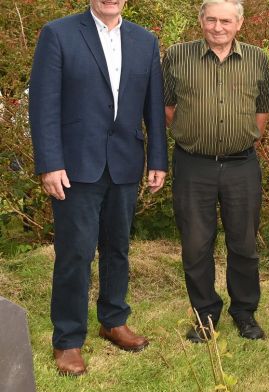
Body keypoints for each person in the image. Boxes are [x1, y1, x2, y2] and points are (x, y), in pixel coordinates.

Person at [28, 0, 168, 376]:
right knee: (75, 253)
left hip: (124, 162)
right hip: (75, 167)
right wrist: (50, 163)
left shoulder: (145, 40)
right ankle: (69, 340)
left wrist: (157, 160)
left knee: (118, 248)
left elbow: (152, 105)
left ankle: (113, 320)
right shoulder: (58, 34)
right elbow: (43, 105)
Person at [162, 0, 269, 342]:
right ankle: (204, 315)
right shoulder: (176, 56)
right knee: (196, 245)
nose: (217, 27)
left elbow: (263, 110)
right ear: (201, 21)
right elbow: (168, 108)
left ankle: (244, 313)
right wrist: (197, 134)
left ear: (238, 24)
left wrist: (239, 141)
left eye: (225, 21)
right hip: (193, 164)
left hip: (242, 164)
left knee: (243, 243)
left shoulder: (258, 58)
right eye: (210, 19)